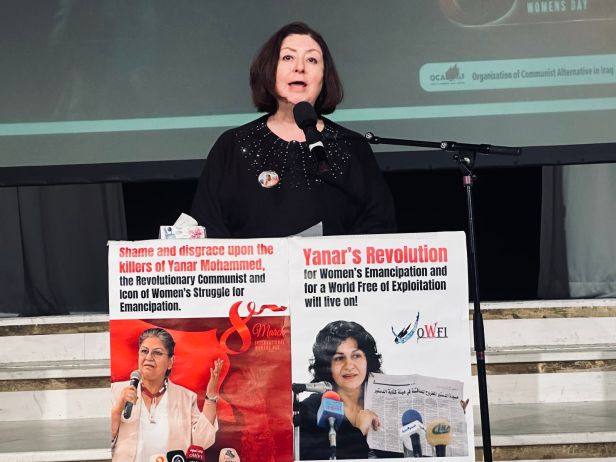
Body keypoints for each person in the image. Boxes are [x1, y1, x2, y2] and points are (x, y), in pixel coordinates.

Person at [191, 22, 396, 238]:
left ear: (324, 76)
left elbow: (378, 227)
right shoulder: (233, 145)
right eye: (288, 57)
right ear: (270, 69)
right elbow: (207, 226)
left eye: (312, 60)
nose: (300, 67)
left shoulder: (351, 146)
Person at [111, 328, 223, 461]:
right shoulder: (116, 391)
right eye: (144, 351)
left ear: (170, 362)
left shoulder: (186, 398)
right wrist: (118, 409)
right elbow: (103, 439)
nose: (148, 357)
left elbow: (202, 441)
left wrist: (210, 397)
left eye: (157, 353)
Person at [299, 320, 400, 460]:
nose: (349, 366)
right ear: (327, 365)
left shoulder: (387, 403)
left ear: (367, 360)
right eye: (339, 358)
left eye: (356, 356)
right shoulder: (309, 410)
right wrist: (359, 431)